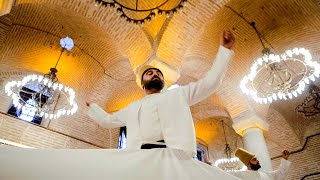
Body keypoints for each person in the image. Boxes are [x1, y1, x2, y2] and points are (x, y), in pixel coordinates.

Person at [86, 30, 235, 156]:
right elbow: (108, 120)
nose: (155, 74)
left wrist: (224, 51)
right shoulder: (132, 108)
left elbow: (210, 83)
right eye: (150, 73)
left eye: (158, 73)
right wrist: (92, 106)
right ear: (142, 84)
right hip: (141, 158)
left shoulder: (179, 95)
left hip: (175, 157)